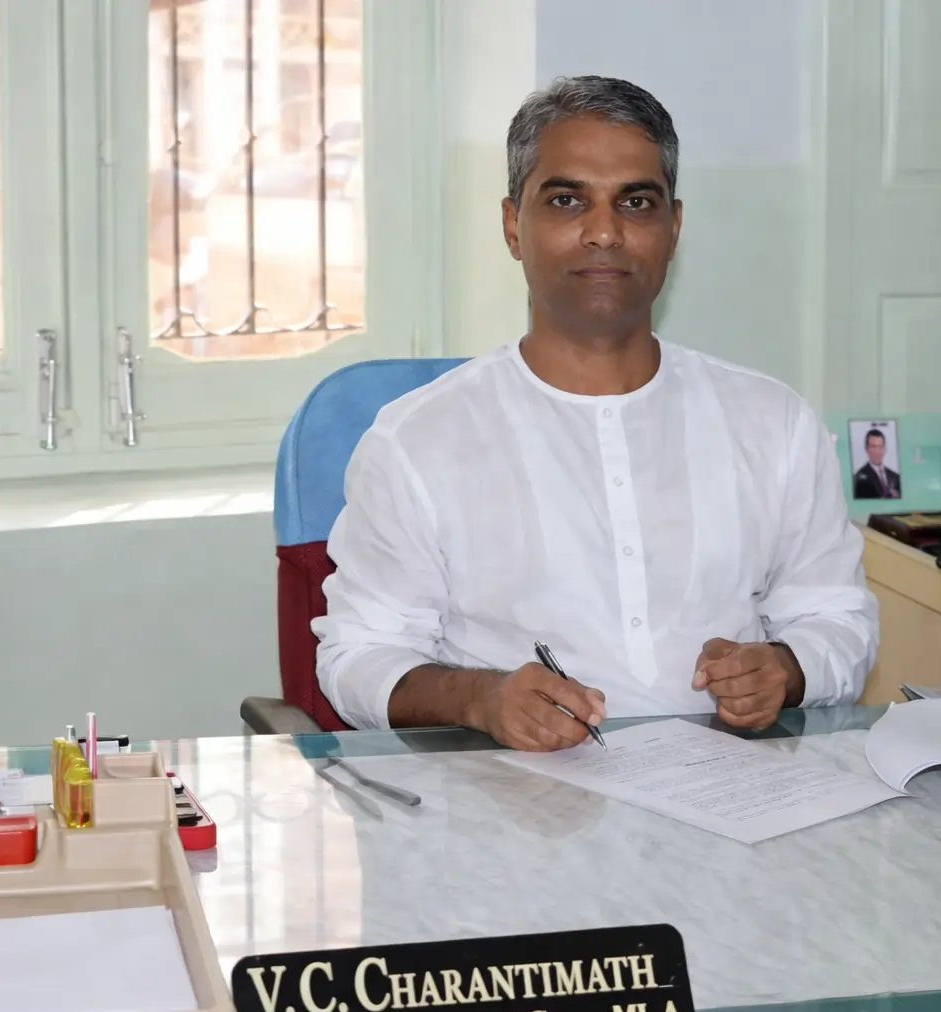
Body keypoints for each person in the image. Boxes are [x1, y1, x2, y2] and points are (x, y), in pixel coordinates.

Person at [311, 75, 878, 751]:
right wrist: (483, 698)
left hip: (735, 808)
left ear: (674, 228)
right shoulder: (417, 441)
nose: (605, 232)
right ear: (511, 226)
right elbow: (355, 658)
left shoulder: (772, 423)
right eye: (566, 200)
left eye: (636, 202)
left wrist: (786, 669)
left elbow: (837, 617)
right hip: (512, 817)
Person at [852, 429, 901, 499]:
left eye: (880, 446)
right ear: (866, 449)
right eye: (873, 447)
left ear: (885, 449)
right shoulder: (859, 478)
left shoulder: (895, 477)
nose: (877, 451)